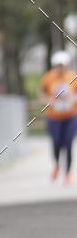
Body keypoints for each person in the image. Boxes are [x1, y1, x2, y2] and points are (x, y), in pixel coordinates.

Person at [40, 50, 77, 184]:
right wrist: (50, 100)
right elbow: (42, 94)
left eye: (63, 65)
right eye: (58, 65)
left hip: (70, 116)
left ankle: (67, 173)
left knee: (68, 143)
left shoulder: (73, 77)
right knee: (56, 143)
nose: (60, 68)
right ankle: (56, 165)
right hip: (54, 117)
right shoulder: (48, 77)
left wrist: (73, 99)